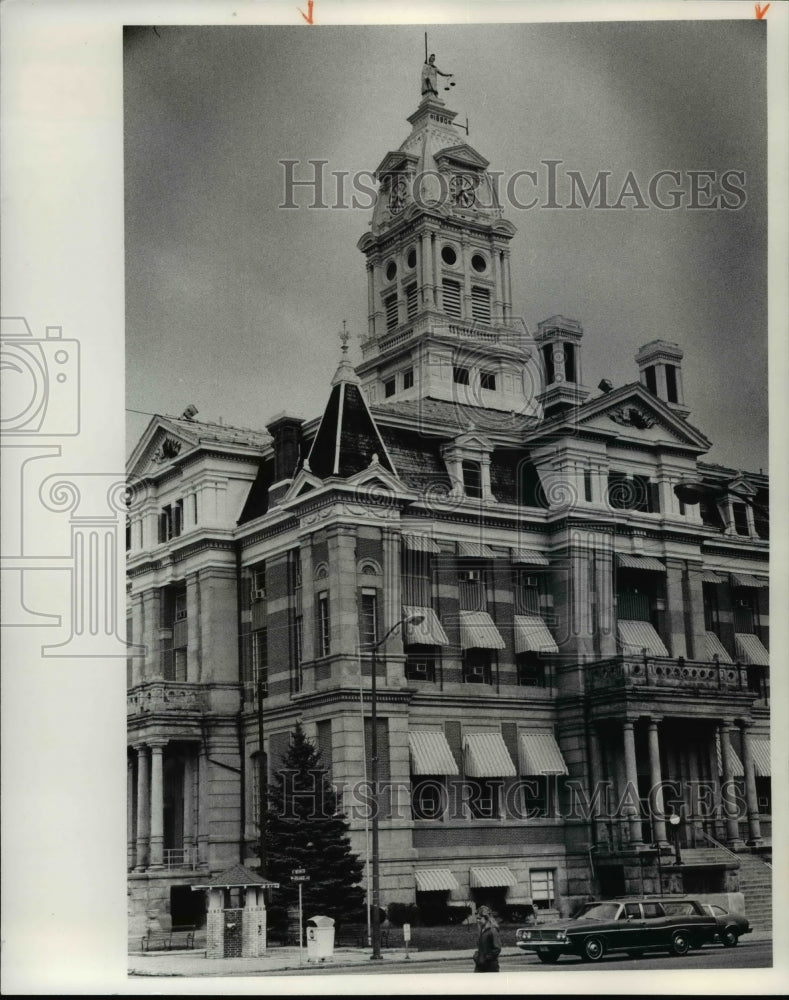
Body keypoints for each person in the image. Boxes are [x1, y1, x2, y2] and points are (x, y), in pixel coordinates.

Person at [472, 905, 501, 973]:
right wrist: (477, 956)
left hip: (490, 967)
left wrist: (485, 958)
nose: (478, 921)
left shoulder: (492, 931)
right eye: (477, 918)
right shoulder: (482, 930)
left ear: (487, 918)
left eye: (480, 918)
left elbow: (497, 949)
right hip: (480, 965)